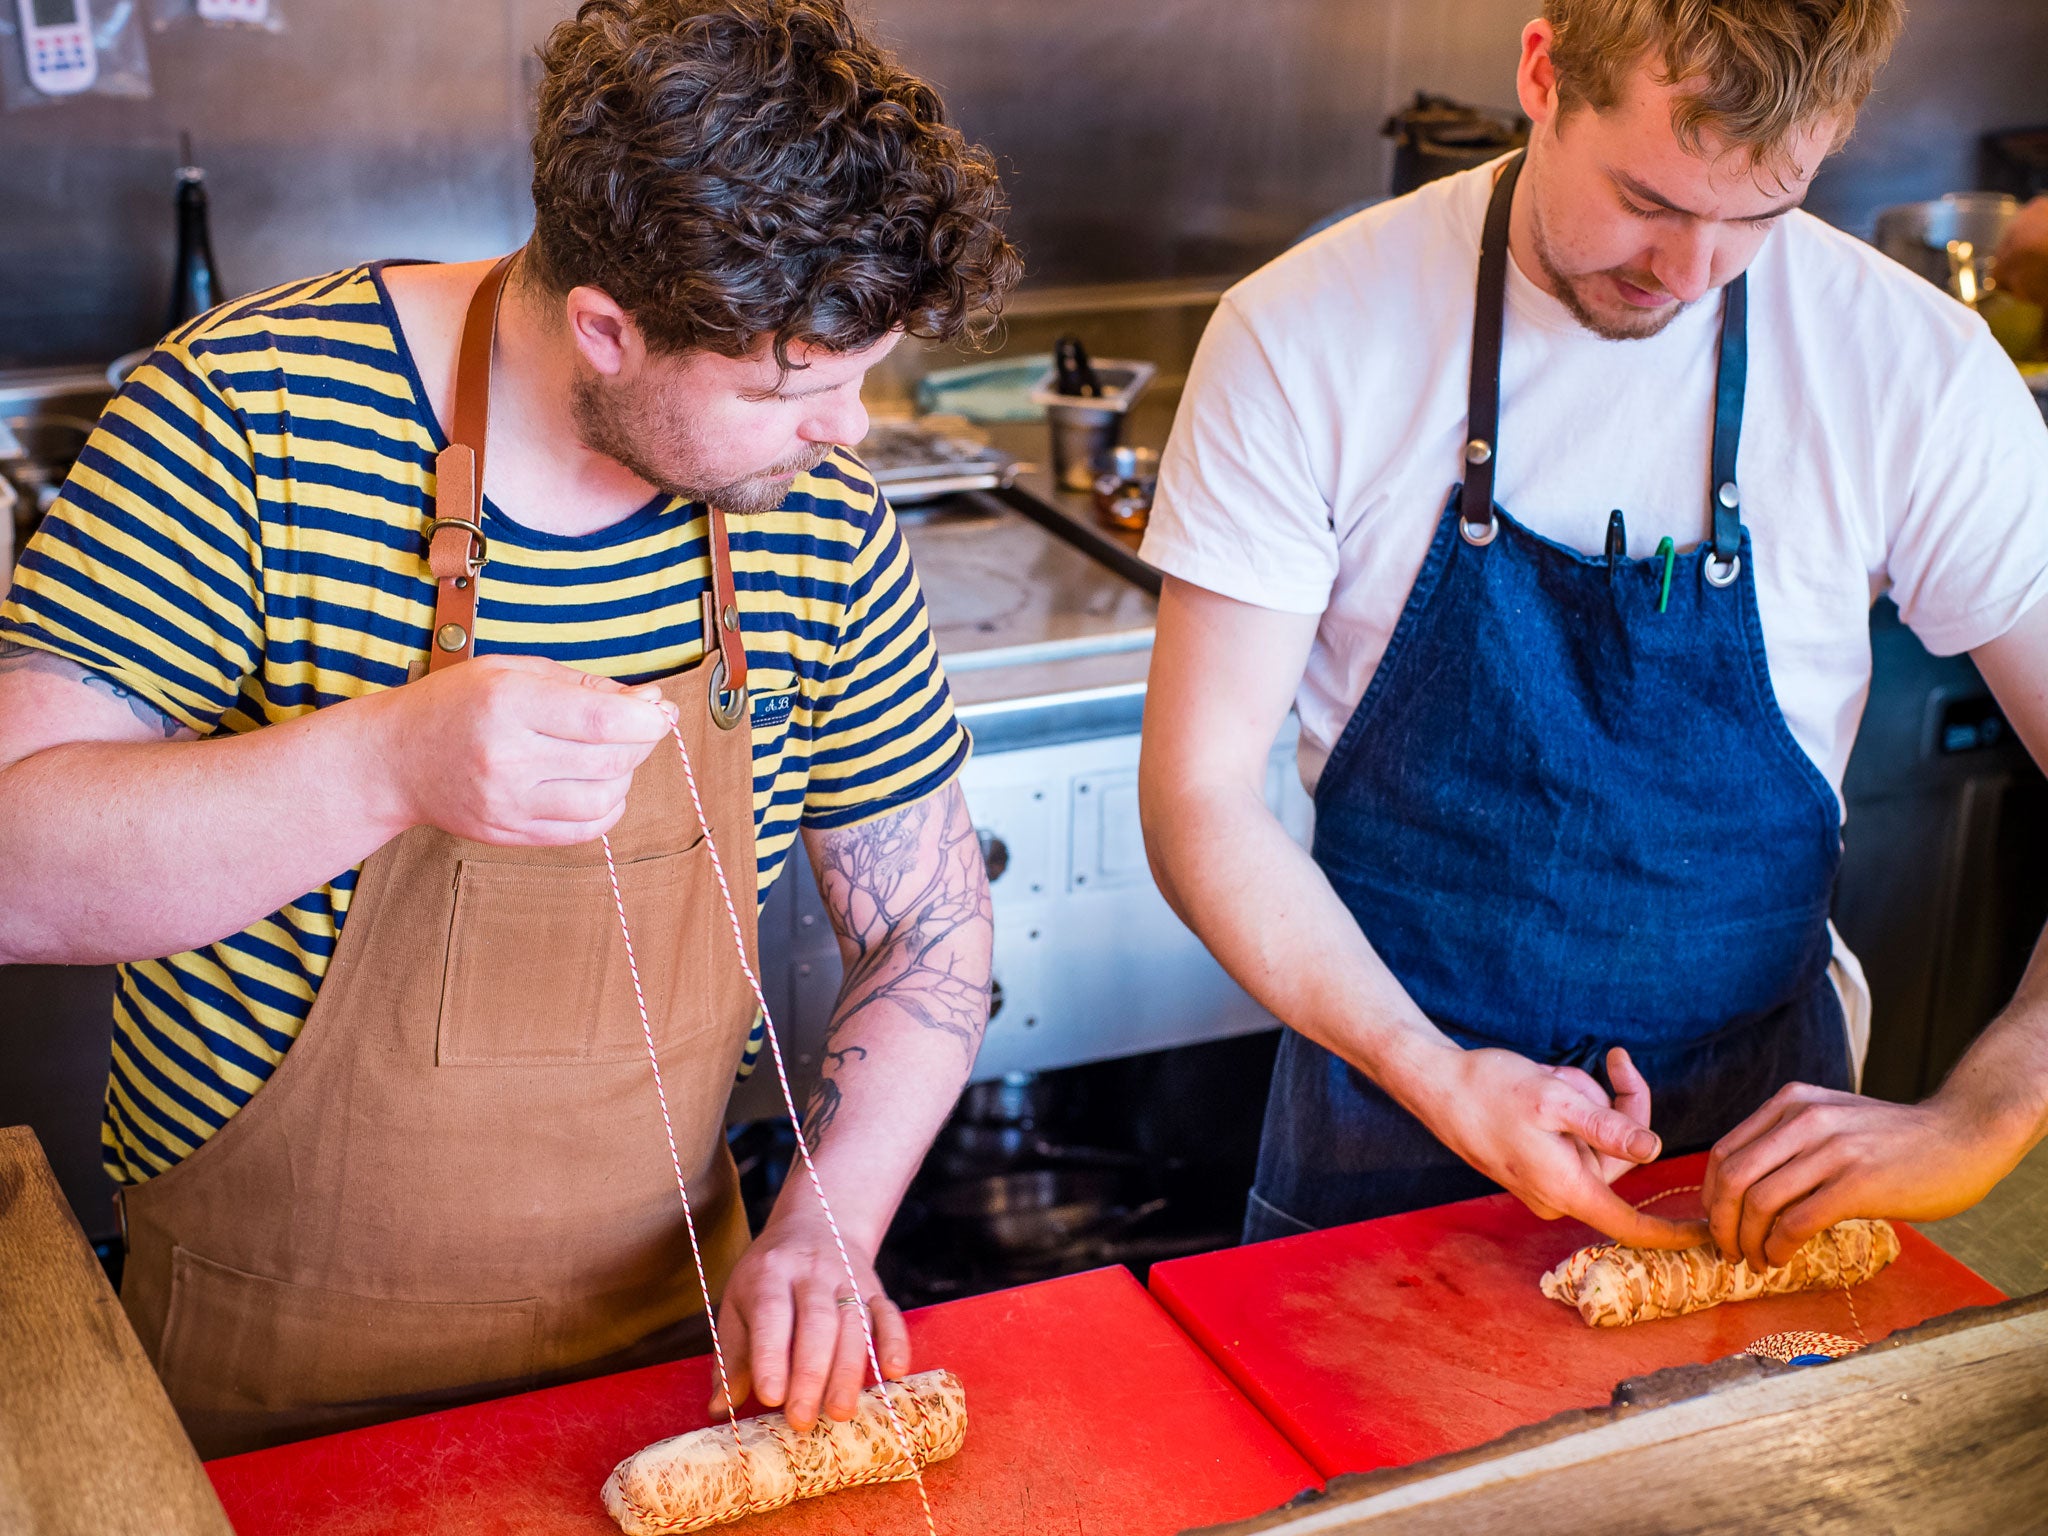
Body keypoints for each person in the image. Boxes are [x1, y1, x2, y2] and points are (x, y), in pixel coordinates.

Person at [0, 0, 1019, 1457]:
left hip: (682, 1356)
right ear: (604, 327)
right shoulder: (245, 419)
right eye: (795, 385)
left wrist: (824, 1228)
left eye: (869, 376)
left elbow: (929, 934)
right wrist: (386, 761)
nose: (850, 433)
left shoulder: (815, 518)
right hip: (268, 1365)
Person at [1138, 0, 2048, 1266]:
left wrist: (1981, 1115)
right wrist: (1435, 1072)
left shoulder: (1915, 374)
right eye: (1649, 199)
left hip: (1747, 1168)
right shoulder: (1304, 333)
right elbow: (1198, 796)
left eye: (1755, 218)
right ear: (1541, 71)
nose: (1688, 273)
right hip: (1391, 1115)